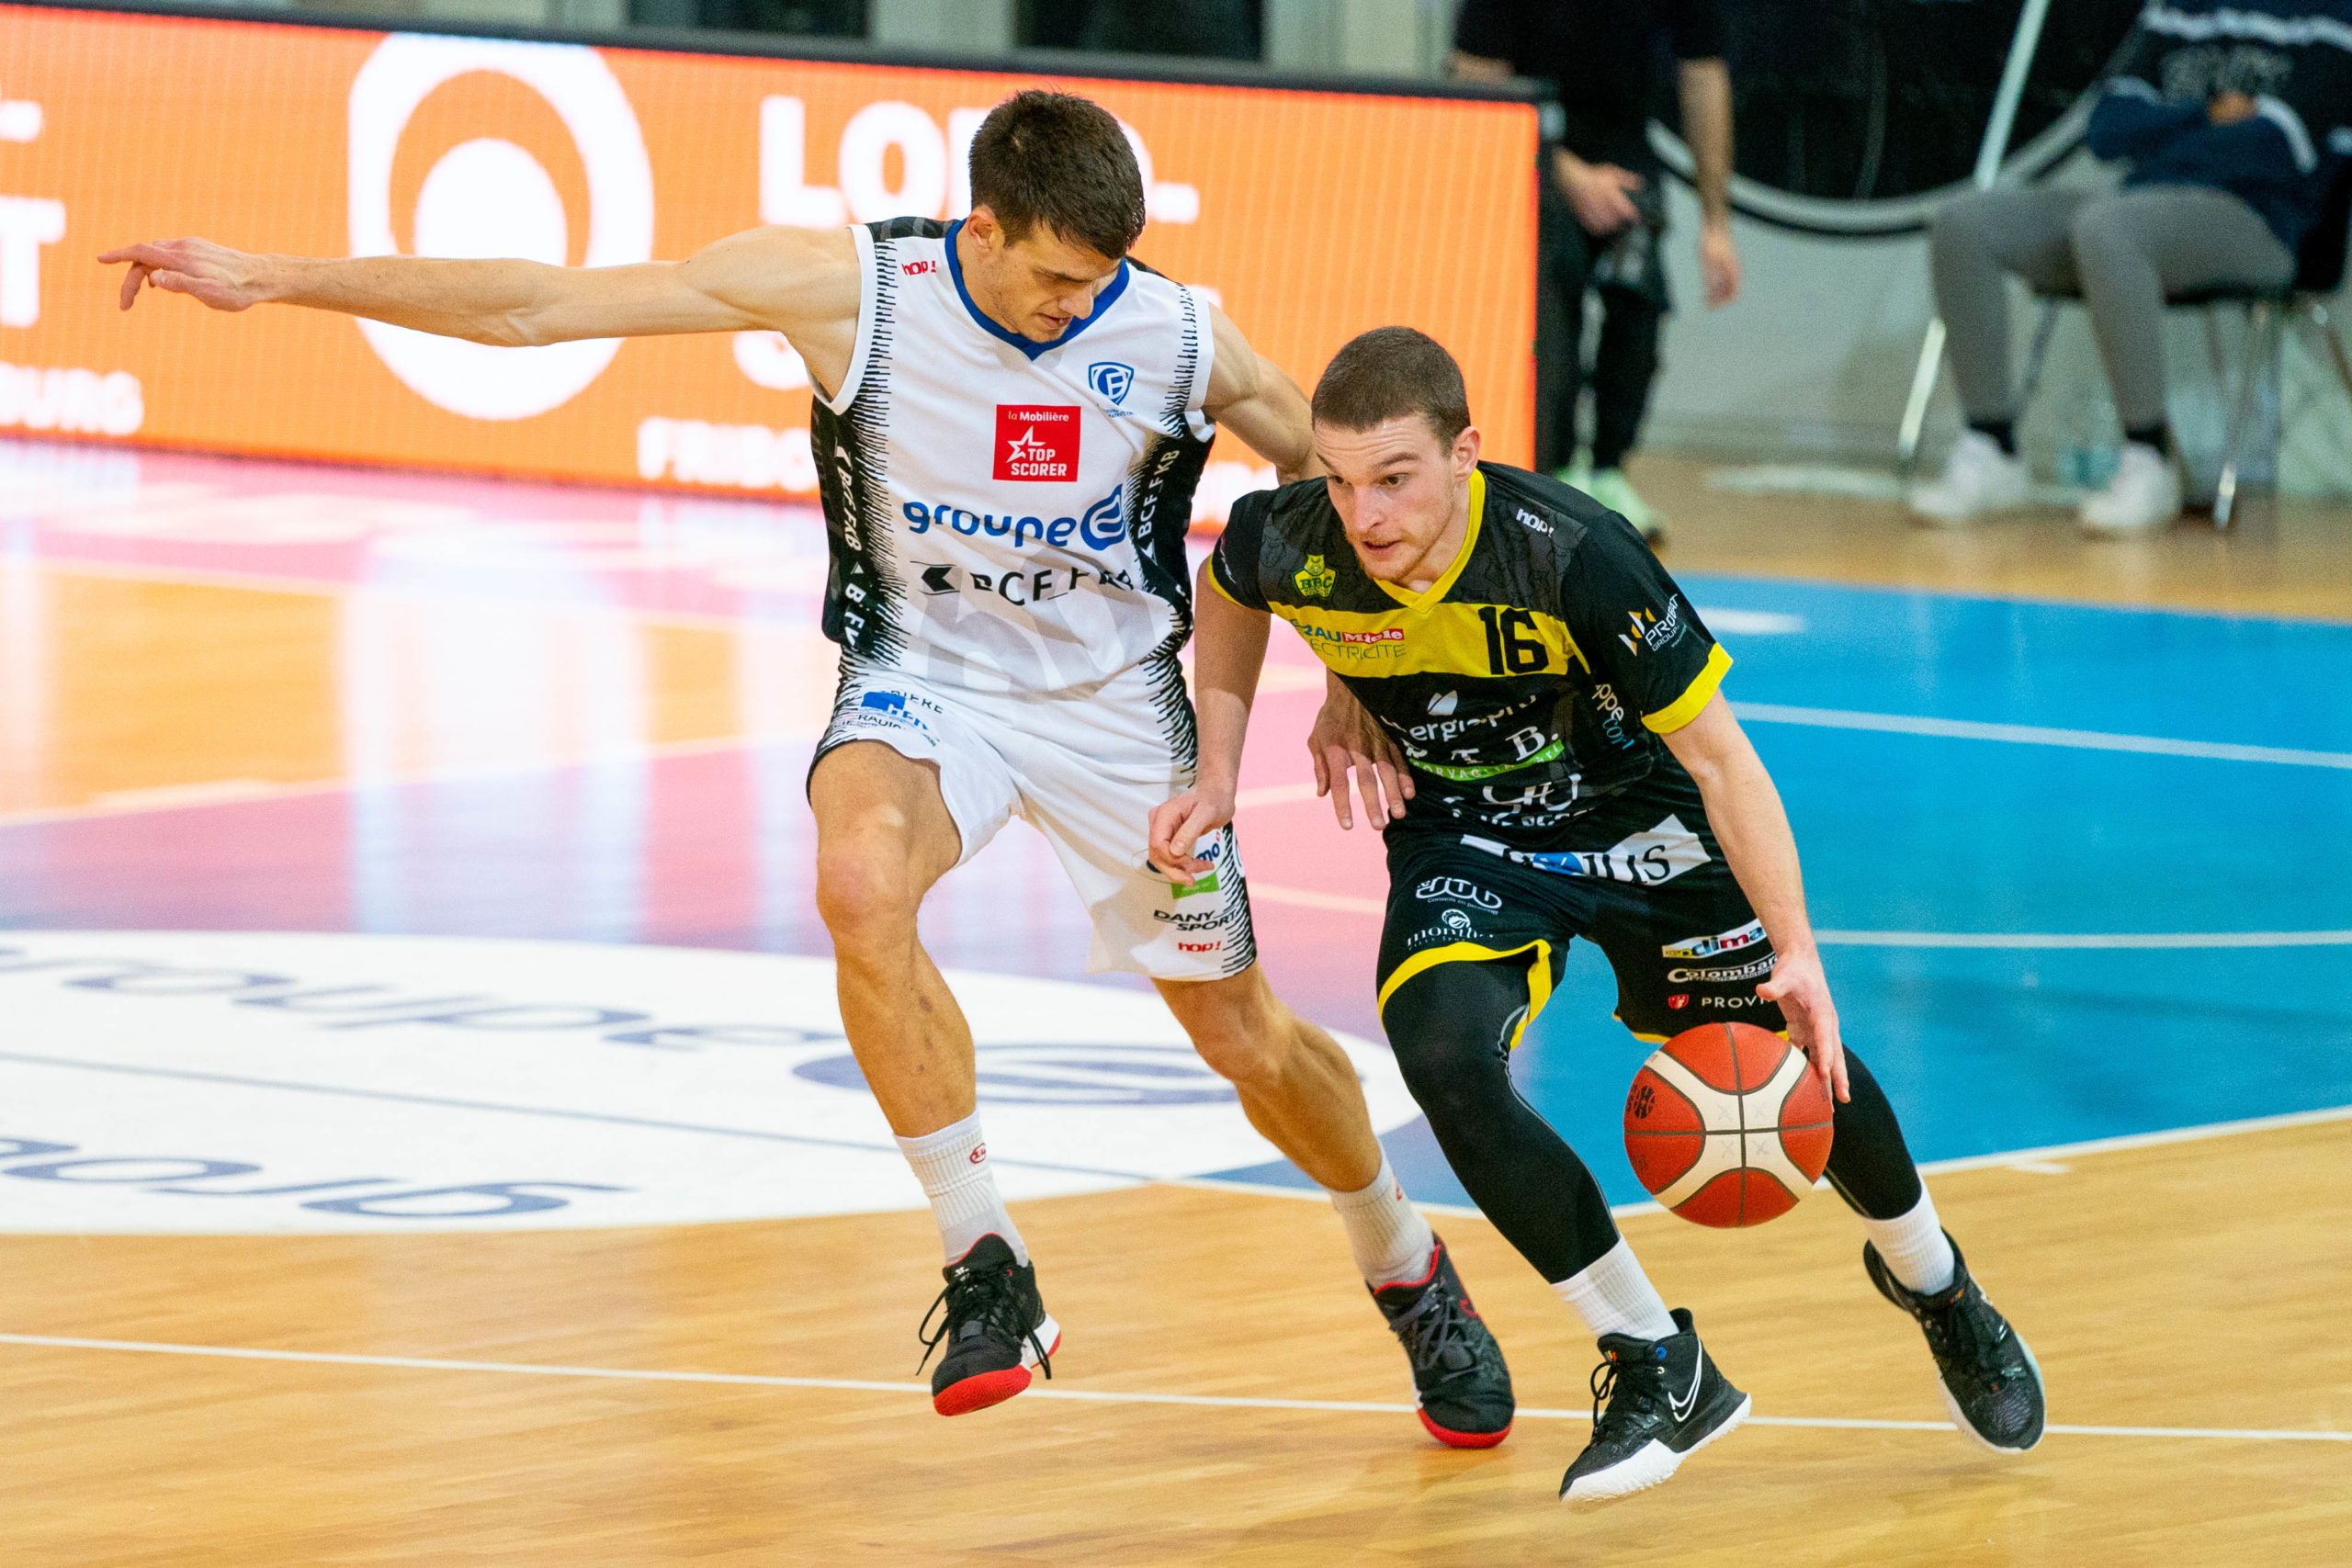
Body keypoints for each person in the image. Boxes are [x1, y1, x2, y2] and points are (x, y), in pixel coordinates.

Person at [98, 91, 1517, 1445]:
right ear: (982, 226)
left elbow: (1326, 476)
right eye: (1053, 278)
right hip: (925, 681)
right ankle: (985, 1257)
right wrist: (274, 277)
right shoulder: (854, 292)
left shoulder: (1174, 331)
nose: (1076, 304)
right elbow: (539, 304)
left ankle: (1404, 1261)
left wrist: (1352, 663)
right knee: (857, 877)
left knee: (1242, 1037)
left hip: (1114, 710)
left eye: (1099, 279)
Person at [1152, 326, 2045, 1508]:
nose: (1363, 516)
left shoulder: (1575, 553)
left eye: (1395, 479)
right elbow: (1230, 592)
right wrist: (1223, 768)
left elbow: (1722, 763)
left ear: (1465, 453)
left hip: (1638, 822)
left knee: (1788, 1054)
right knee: (1440, 1059)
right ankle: (1655, 1357)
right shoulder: (1293, 535)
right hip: (1468, 836)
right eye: (1342, 480)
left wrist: (1794, 951)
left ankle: (1937, 1285)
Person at [1911, 0, 2352, 536]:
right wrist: (2205, 116)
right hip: (2137, 209)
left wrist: (2164, 136)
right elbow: (2106, 129)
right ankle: (1992, 446)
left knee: (2110, 226)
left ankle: (2149, 458)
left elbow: (2276, 148)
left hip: (2262, 223)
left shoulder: (2331, 15)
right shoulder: (2174, 12)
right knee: (1963, 222)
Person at [1451, 0, 1743, 543]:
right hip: (1525, 146)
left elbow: (1703, 79)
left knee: (1640, 298)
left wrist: (1715, 224)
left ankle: (1609, 470)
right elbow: (1477, 83)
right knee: (1550, 316)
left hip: (1623, 144)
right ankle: (1555, 472)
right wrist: (1568, 175)